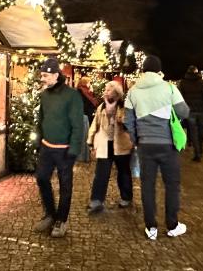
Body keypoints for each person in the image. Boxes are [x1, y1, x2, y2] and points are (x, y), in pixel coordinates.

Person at [124, 55, 190, 240]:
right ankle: (172, 225)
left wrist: (137, 139)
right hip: (168, 145)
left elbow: (128, 120)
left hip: (145, 145)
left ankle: (151, 227)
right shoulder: (169, 88)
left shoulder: (133, 91)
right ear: (159, 70)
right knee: (172, 185)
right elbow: (184, 111)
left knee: (147, 186)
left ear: (143, 70)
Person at [33, 58, 85, 238]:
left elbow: (78, 124)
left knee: (65, 185)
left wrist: (74, 148)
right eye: (42, 75)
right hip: (47, 147)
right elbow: (41, 119)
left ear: (56, 75)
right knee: (41, 178)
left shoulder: (72, 95)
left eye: (46, 75)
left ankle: (61, 220)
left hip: (64, 149)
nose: (43, 78)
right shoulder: (44, 95)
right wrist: (38, 139)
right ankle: (50, 213)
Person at [87, 80, 133, 214]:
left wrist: (115, 115)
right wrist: (90, 141)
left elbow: (128, 125)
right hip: (105, 143)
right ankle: (96, 200)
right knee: (101, 173)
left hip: (121, 145)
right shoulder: (101, 106)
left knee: (123, 172)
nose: (105, 92)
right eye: (105, 89)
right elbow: (95, 124)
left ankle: (126, 197)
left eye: (108, 90)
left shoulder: (124, 106)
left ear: (117, 93)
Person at [178, 65, 203, 161]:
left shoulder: (183, 83)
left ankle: (197, 153)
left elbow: (180, 98)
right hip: (202, 110)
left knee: (193, 132)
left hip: (190, 111)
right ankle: (200, 149)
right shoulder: (202, 83)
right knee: (201, 132)